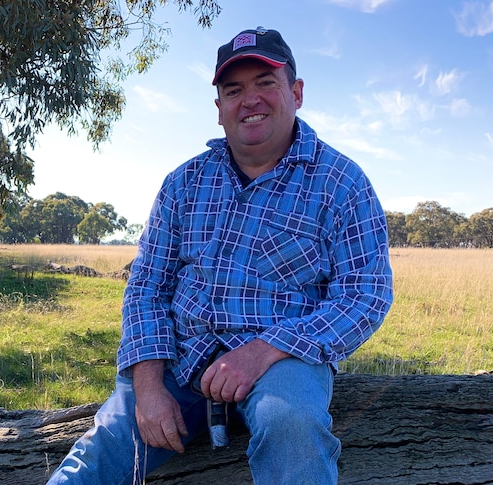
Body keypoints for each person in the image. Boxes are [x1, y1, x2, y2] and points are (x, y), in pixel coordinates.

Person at [46, 27, 393, 484]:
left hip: (283, 359)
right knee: (99, 456)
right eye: (234, 90)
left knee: (292, 427)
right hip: (180, 358)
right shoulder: (184, 182)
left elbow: (364, 294)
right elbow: (148, 286)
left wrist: (262, 352)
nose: (250, 99)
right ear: (219, 109)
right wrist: (148, 386)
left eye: (265, 83)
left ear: (296, 91)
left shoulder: (342, 183)